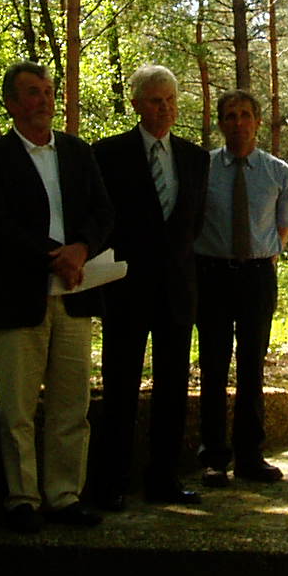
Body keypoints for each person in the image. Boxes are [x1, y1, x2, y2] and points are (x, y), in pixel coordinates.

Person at [0, 61, 115, 534]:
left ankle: (65, 496)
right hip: (19, 296)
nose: (44, 100)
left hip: (75, 295)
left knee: (72, 406)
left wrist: (81, 249)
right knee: (18, 408)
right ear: (12, 103)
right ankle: (23, 500)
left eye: (49, 91)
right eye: (33, 92)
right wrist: (55, 256)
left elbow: (103, 212)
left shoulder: (77, 152)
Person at [88, 65, 209, 509]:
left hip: (177, 288)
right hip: (125, 288)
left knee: (173, 386)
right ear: (137, 104)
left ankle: (164, 479)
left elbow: (193, 224)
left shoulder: (195, 158)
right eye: (156, 101)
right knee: (121, 386)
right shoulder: (108, 154)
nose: (165, 108)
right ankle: (113, 482)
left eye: (171, 100)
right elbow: (102, 219)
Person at [192, 89, 288, 487]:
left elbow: (283, 227)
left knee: (252, 365)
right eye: (231, 116)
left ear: (258, 121)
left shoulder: (278, 172)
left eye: (246, 115)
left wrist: (261, 256)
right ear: (220, 123)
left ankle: (251, 455)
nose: (239, 123)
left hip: (257, 276)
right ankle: (214, 458)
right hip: (212, 274)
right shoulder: (202, 168)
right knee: (213, 364)